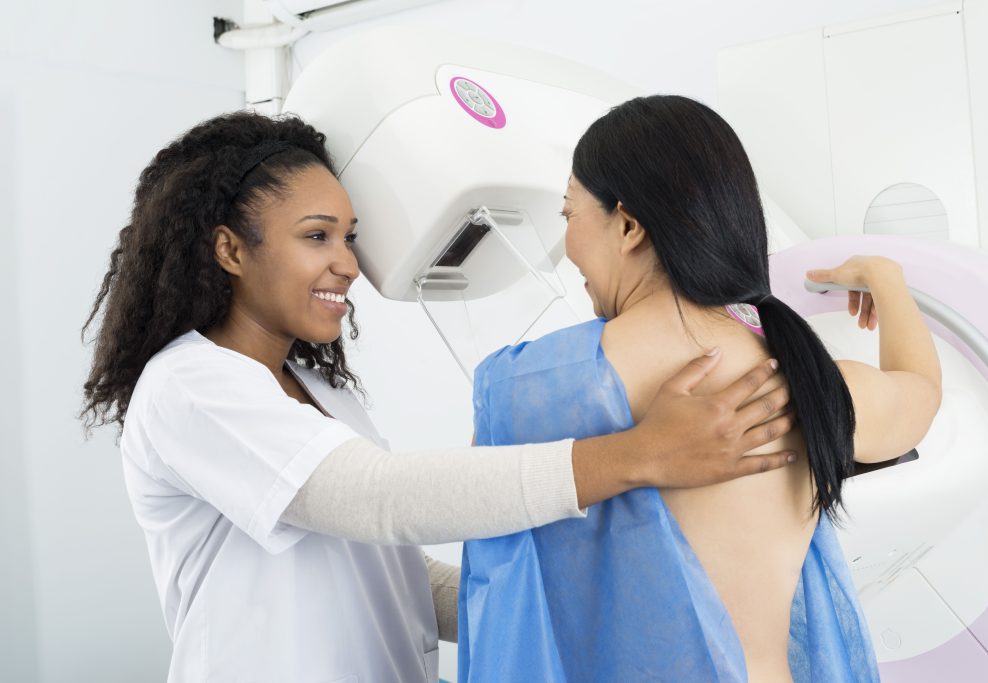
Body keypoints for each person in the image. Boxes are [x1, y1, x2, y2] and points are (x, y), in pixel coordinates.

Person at [79, 111, 798, 683]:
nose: (349, 264)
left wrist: (574, 601)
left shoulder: (320, 388)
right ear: (231, 249)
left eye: (350, 237)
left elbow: (395, 575)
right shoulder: (189, 386)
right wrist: (640, 455)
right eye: (317, 236)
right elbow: (377, 499)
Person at [457, 95, 942, 683]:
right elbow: (918, 394)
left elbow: (489, 534)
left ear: (628, 224)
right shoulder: (802, 373)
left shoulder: (540, 386)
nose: (568, 249)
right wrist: (886, 280)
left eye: (568, 216)